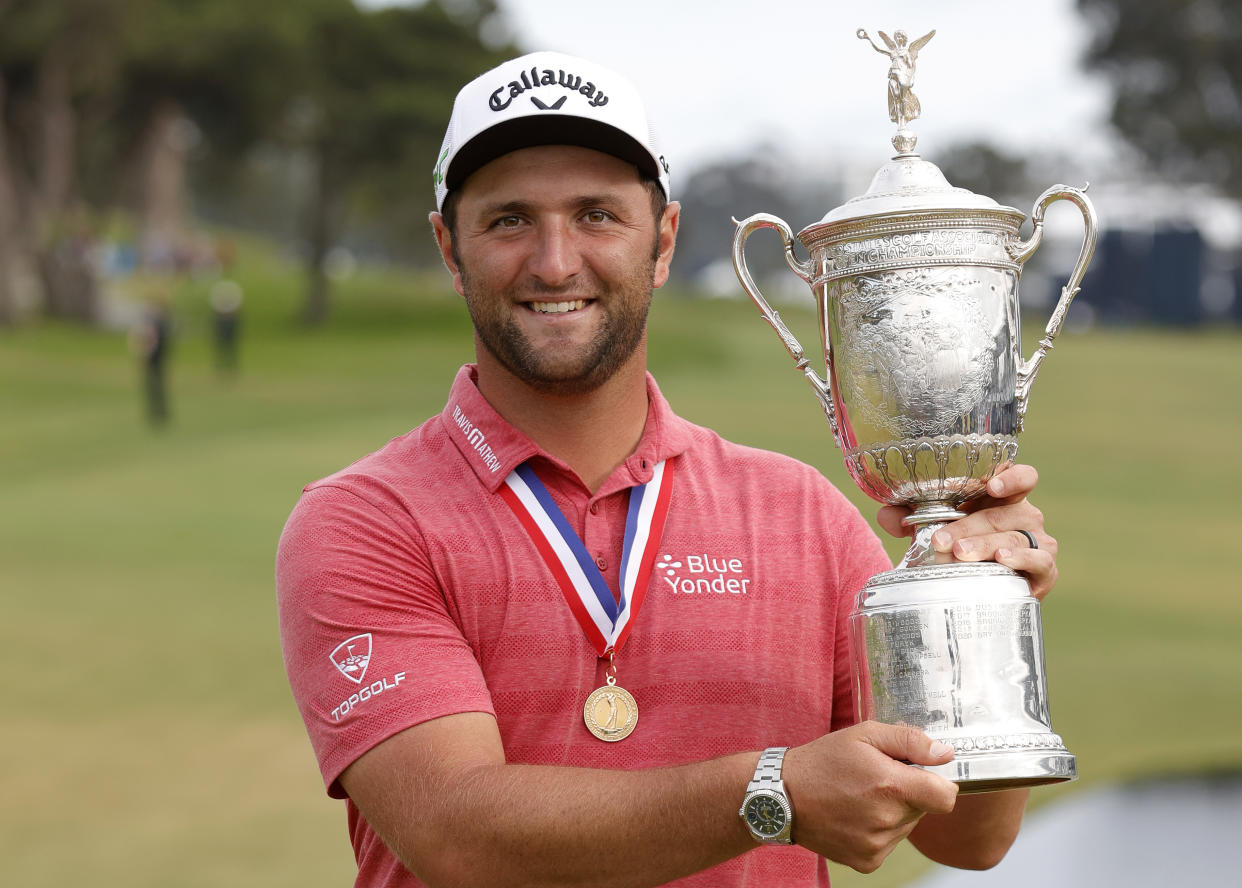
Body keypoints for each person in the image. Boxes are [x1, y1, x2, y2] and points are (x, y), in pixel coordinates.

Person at [277, 50, 1061, 888]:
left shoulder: (801, 514)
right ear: (448, 246)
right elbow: (459, 836)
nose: (553, 262)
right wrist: (774, 795)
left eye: (597, 216)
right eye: (508, 220)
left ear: (664, 240)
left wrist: (977, 606)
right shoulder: (365, 520)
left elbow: (968, 839)